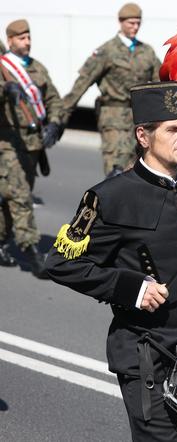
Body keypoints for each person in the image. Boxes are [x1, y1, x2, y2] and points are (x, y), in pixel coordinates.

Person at [46, 81, 177, 441]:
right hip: (146, 355)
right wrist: (132, 288)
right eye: (173, 129)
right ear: (143, 135)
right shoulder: (110, 197)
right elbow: (60, 262)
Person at [61, 3, 161, 177]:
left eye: (138, 23)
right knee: (115, 170)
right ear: (121, 22)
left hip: (139, 118)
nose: (135, 27)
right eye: (131, 23)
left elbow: (160, 83)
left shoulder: (147, 52)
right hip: (114, 117)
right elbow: (83, 82)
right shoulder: (107, 51)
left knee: (139, 169)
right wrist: (60, 116)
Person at [0, 19, 60, 278]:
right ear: (10, 40)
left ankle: (2, 240)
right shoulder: (4, 69)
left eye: (28, 37)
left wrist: (55, 123)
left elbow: (54, 99)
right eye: (22, 38)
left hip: (34, 145)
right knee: (21, 196)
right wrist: (5, 90)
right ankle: (32, 253)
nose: (27, 41)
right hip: (8, 144)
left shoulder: (36, 68)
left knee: (12, 198)